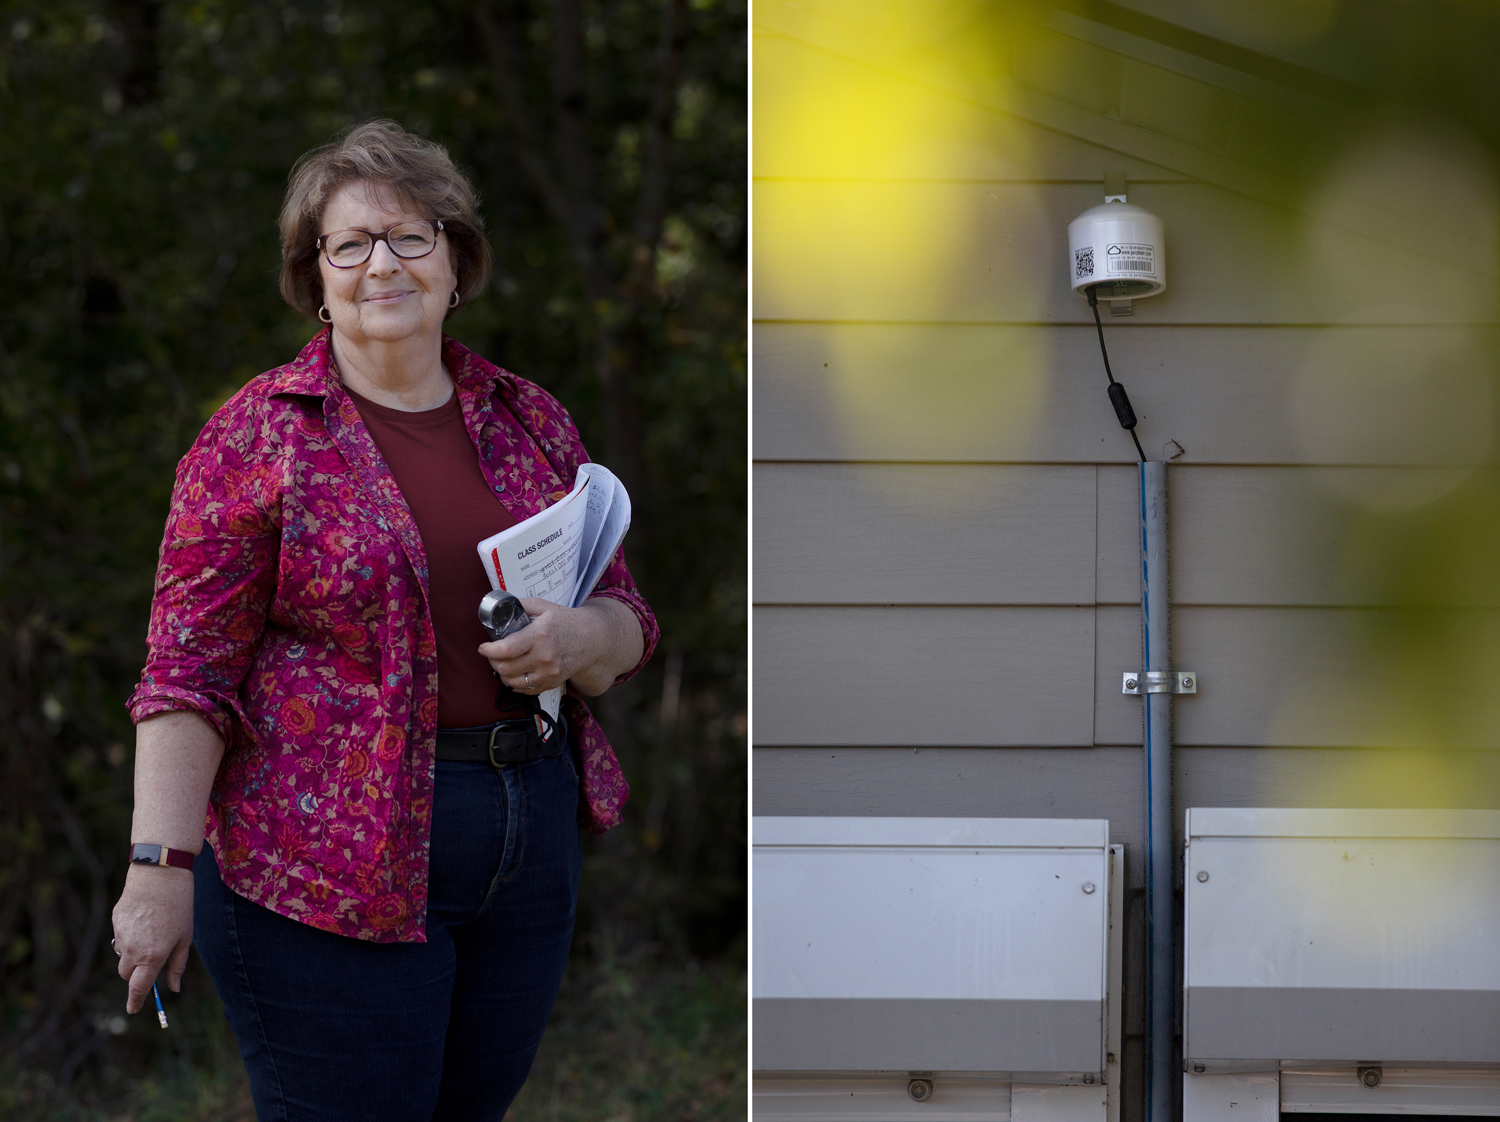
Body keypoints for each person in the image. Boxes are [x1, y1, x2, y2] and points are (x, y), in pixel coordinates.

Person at [109, 119, 657, 1121]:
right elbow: (185, 674)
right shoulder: (258, 438)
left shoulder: (530, 418)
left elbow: (624, 618)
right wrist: (159, 871)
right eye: (349, 243)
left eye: (412, 235)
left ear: (456, 259)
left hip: (522, 841)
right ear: (315, 276)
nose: (382, 264)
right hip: (319, 874)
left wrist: (579, 641)